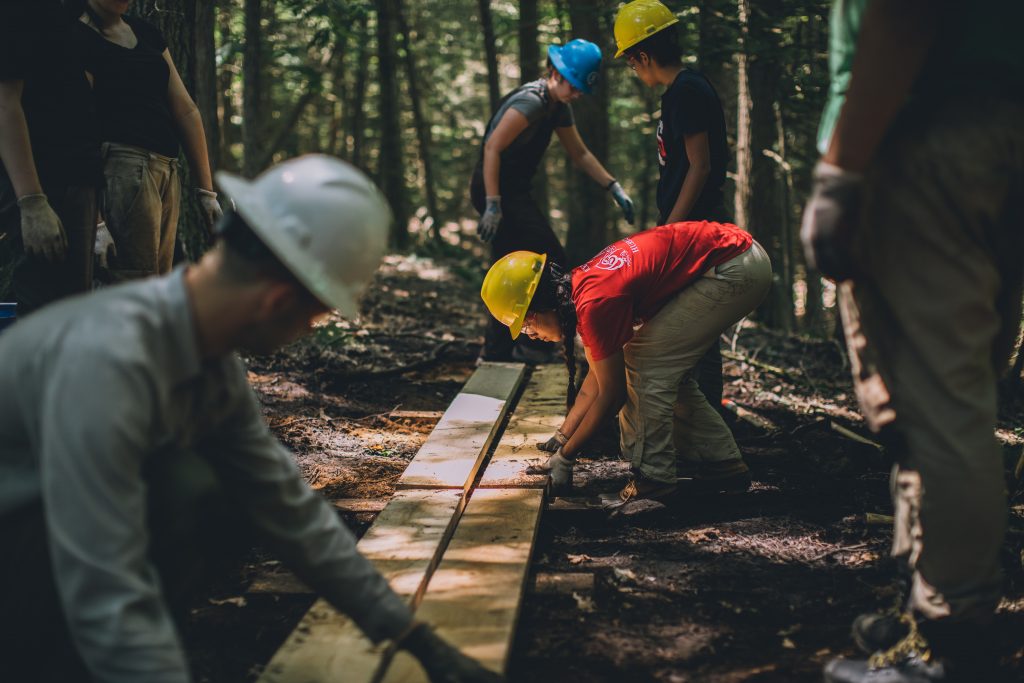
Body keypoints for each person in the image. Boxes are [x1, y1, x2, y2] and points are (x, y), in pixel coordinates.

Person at [0, 155, 500, 683]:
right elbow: (105, 584)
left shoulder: (206, 360)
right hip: (25, 546)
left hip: (51, 535)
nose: (309, 329)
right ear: (277, 300)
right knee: (182, 492)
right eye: (315, 314)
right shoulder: (108, 363)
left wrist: (410, 636)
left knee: (211, 495)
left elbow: (284, 505)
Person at [800, 1, 1024, 681]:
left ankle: (951, 640)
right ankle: (926, 608)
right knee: (962, 391)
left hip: (922, 135)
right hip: (999, 140)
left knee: (935, 407)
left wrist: (841, 172)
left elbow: (903, 14)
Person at [481, 221, 771, 507]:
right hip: (735, 256)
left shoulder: (594, 304)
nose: (532, 336)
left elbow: (613, 393)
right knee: (656, 366)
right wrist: (563, 436)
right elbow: (597, 379)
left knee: (644, 365)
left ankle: (653, 477)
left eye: (527, 327)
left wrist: (567, 456)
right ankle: (722, 464)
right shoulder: (581, 289)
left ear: (536, 310)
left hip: (732, 266)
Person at [471, 38, 635, 363]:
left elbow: (580, 153)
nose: (576, 94)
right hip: (497, 189)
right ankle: (529, 345)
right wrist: (492, 203)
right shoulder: (531, 102)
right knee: (550, 261)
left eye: (580, 90)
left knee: (516, 263)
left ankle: (504, 351)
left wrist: (612, 186)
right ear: (556, 73)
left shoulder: (557, 106)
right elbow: (492, 147)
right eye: (573, 86)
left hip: (515, 192)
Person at [613, 0, 735, 437]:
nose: (633, 70)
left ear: (644, 55)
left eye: (631, 61)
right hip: (687, 226)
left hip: (696, 229)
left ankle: (708, 431)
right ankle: (702, 427)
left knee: (697, 335)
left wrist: (670, 231)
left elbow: (699, 166)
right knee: (694, 332)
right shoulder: (683, 91)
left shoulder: (686, 91)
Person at [72, 0, 222, 282]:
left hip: (166, 169)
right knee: (134, 283)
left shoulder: (146, 33)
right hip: (123, 169)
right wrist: (97, 221)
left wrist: (206, 192)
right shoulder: (79, 36)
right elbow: (79, 126)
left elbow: (186, 110)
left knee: (158, 283)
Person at [0, 0, 100, 315]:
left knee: (73, 312)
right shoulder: (16, 9)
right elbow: (4, 105)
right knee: (44, 313)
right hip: (42, 185)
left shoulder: (68, 12)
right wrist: (32, 202)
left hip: (78, 179)